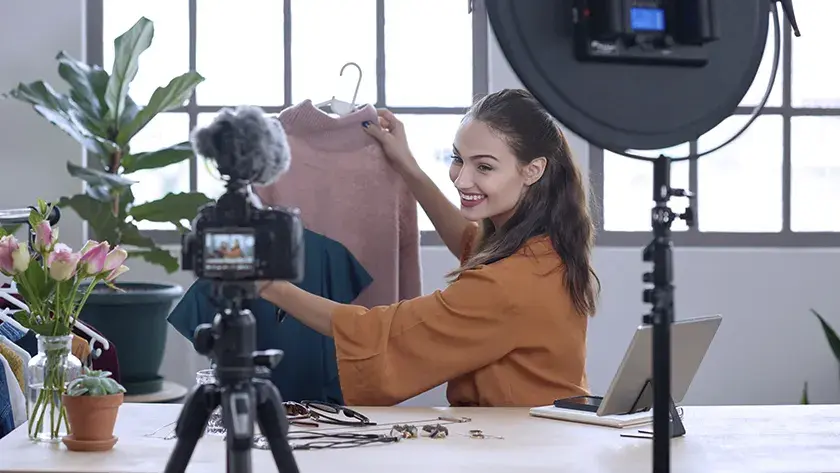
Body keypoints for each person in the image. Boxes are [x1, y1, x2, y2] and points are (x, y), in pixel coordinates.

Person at [258, 89, 600, 407]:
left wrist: (271, 287)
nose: (462, 180)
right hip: (543, 434)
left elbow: (379, 331)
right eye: (457, 159)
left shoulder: (513, 282)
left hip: (529, 449)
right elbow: (471, 243)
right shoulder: (541, 248)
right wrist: (408, 167)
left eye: (484, 167)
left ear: (533, 170)